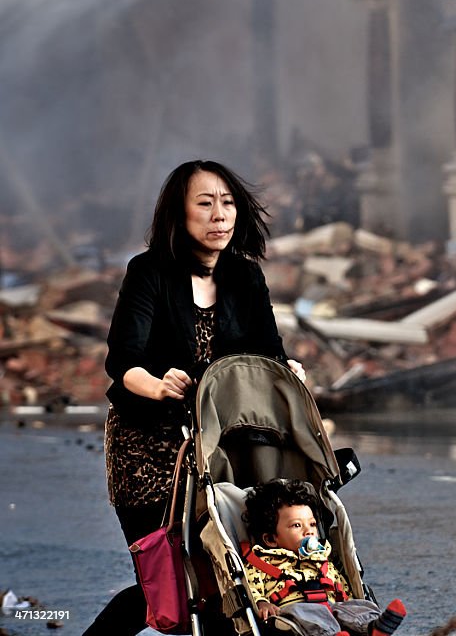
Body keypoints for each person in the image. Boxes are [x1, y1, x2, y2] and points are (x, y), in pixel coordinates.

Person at [85, 159, 307, 635]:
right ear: (179, 214)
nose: (219, 215)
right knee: (161, 584)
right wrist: (159, 384)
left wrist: (289, 373)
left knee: (226, 580)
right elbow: (123, 362)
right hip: (145, 448)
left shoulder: (245, 277)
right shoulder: (148, 272)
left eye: (227, 203)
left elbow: (268, 354)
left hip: (217, 448)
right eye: (205, 204)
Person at [242, 479, 406, 636]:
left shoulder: (322, 558)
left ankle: (371, 627)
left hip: (332, 607)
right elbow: (251, 588)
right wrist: (262, 603)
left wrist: (349, 602)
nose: (309, 531)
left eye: (312, 524)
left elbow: (340, 586)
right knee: (304, 613)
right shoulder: (261, 562)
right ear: (271, 539)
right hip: (294, 613)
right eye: (297, 525)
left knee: (360, 606)